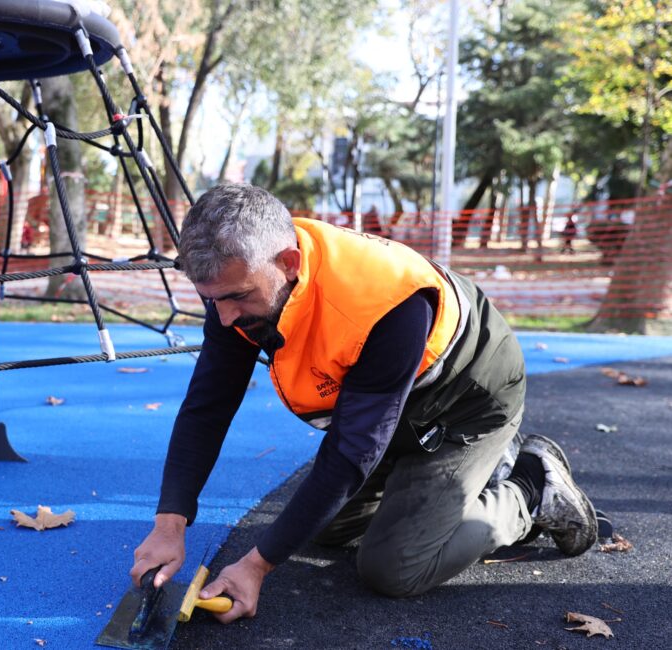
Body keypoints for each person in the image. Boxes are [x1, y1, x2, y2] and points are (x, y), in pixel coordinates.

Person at [130, 183, 597, 622]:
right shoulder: (240, 278)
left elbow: (352, 452)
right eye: (211, 300)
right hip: (395, 405)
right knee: (325, 529)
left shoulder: (383, 305)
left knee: (393, 567)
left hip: (468, 401)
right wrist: (170, 522)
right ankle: (470, 476)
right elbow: (208, 405)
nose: (225, 316)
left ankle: (530, 488)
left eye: (237, 298)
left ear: (289, 262)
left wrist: (256, 566)